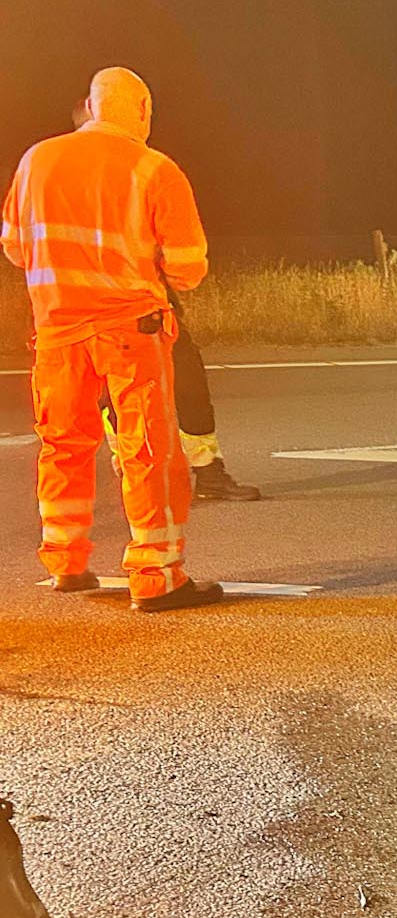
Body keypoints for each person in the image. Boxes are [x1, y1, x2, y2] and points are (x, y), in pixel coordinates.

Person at [1, 67, 223, 611]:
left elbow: (14, 246)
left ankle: (65, 562)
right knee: (147, 449)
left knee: (63, 445)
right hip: (130, 332)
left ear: (93, 106)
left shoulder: (37, 161)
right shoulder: (154, 169)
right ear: (142, 110)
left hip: (55, 332)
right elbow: (189, 268)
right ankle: (156, 575)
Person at [68, 98, 258, 502]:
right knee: (114, 391)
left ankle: (206, 469)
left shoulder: (135, 168)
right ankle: (137, 474)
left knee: (185, 377)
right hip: (100, 304)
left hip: (148, 297)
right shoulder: (74, 173)